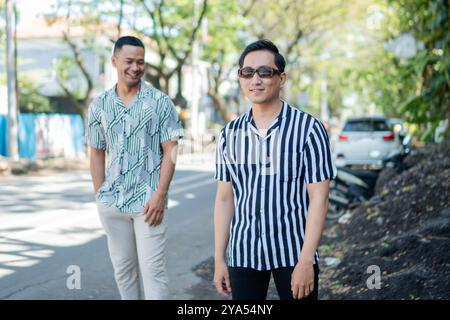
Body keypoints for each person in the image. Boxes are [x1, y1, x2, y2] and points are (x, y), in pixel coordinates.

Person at [213, 39, 337, 300]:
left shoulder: (308, 129)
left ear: (281, 78)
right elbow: (225, 199)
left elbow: (319, 198)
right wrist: (219, 259)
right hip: (243, 252)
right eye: (247, 73)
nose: (255, 80)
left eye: (264, 72)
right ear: (240, 78)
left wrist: (306, 261)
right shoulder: (229, 134)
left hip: (293, 252)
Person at [86, 36, 183, 300]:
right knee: (123, 271)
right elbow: (96, 152)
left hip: (149, 204)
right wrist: (100, 196)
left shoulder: (160, 102)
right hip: (113, 204)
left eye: (141, 62)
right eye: (129, 61)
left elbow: (170, 151)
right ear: (115, 61)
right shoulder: (100, 105)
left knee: (153, 271)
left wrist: (160, 195)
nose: (135, 67)